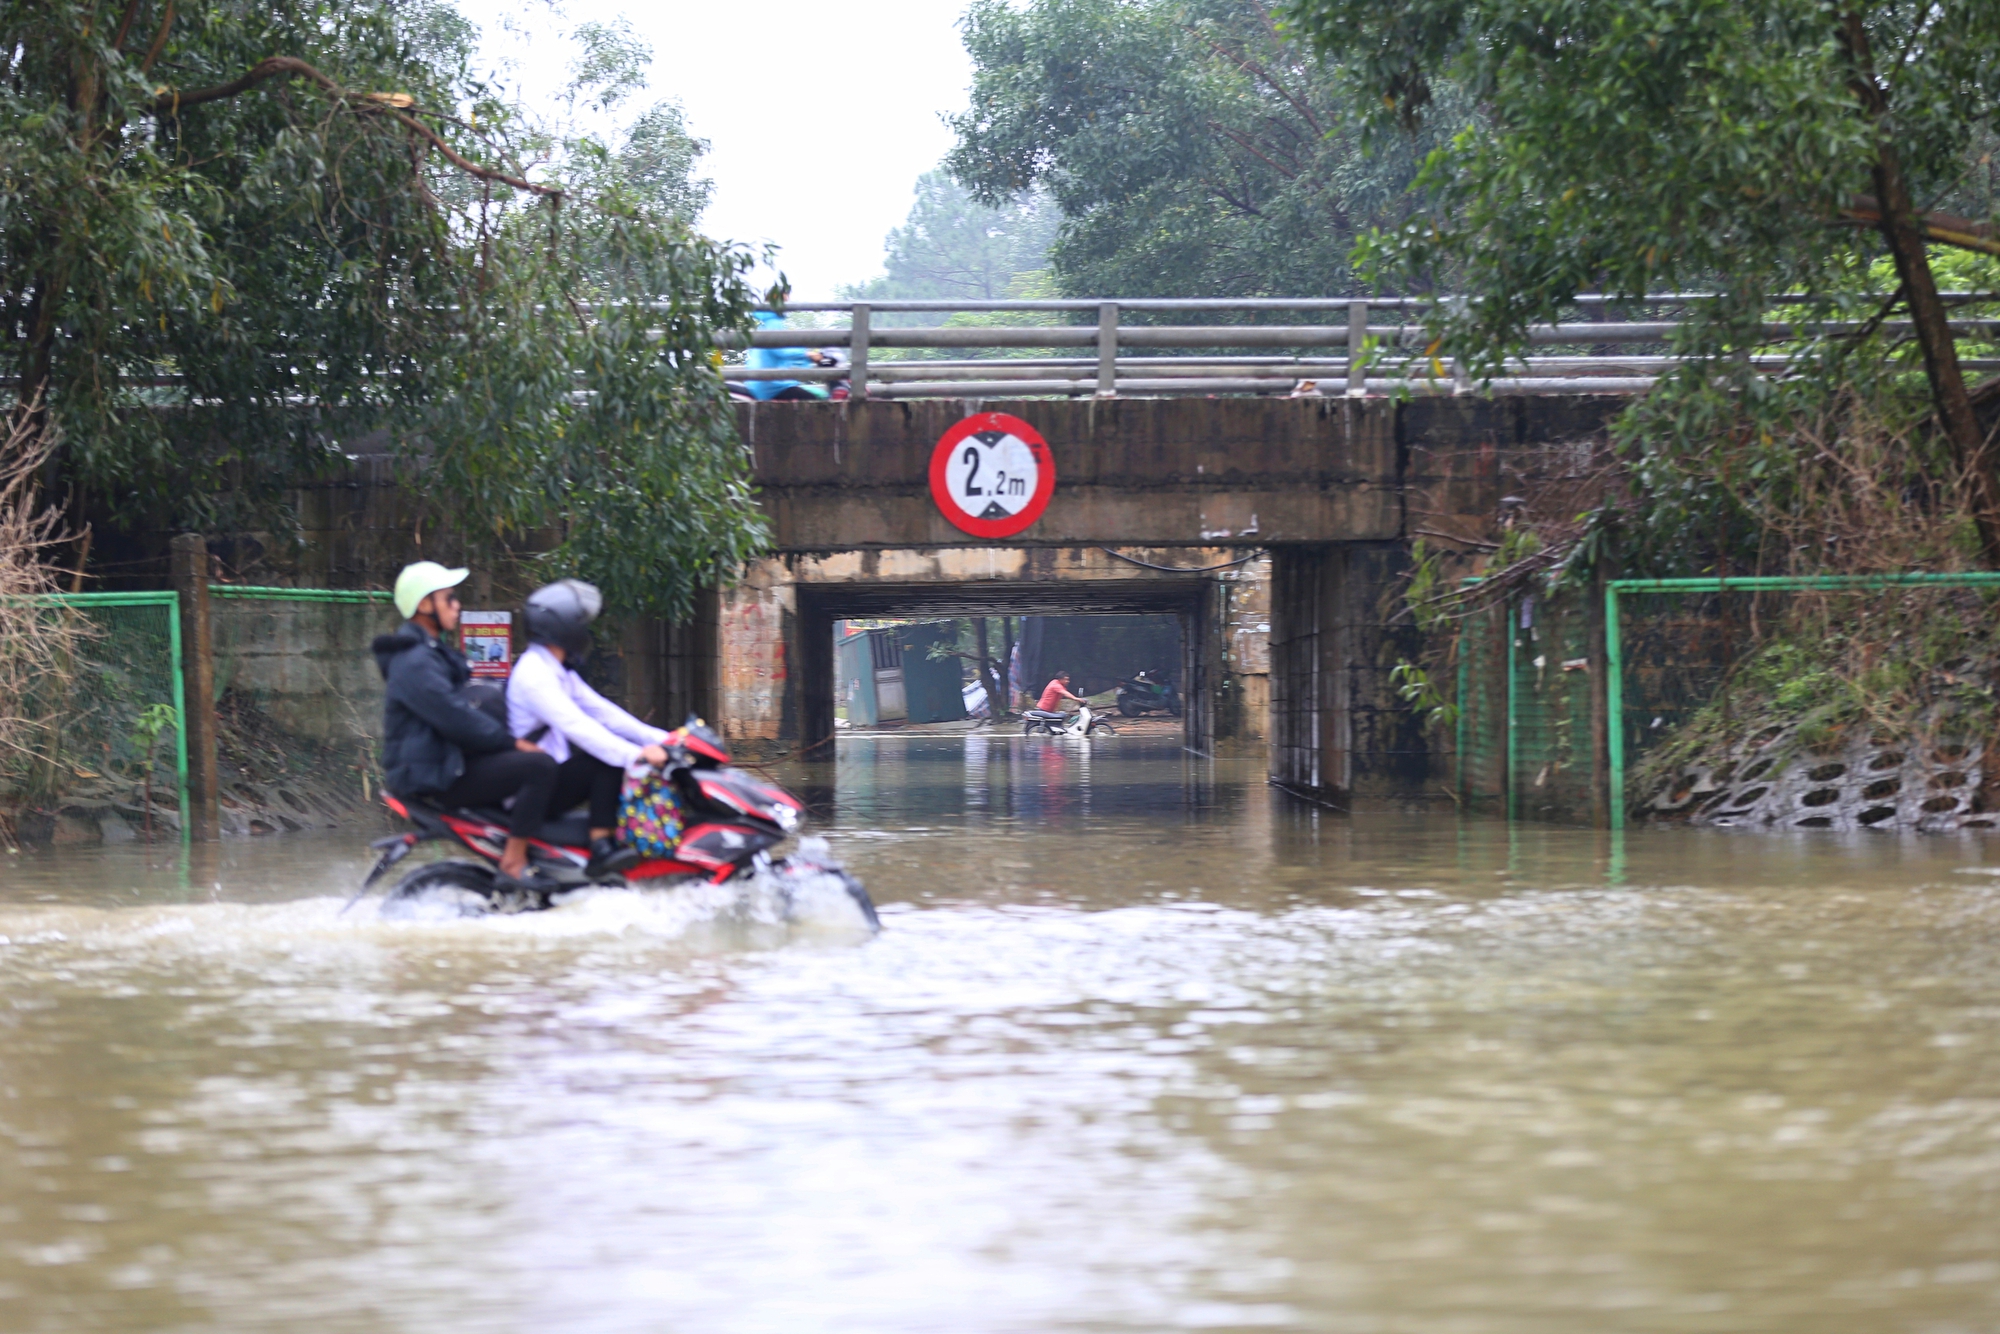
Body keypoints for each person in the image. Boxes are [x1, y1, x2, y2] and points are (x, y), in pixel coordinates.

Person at [373, 561, 557, 891]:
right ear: (425, 605)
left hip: (445, 766)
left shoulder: (430, 653)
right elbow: (454, 717)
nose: (457, 606)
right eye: (450, 598)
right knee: (538, 766)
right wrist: (510, 743)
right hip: (433, 777)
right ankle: (514, 863)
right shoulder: (415, 661)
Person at [505, 579, 674, 876]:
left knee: (610, 757)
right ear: (565, 627)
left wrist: (670, 739)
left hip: (550, 775)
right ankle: (600, 847)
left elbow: (604, 713)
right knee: (605, 761)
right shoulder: (535, 674)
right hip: (533, 789)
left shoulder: (555, 669)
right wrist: (637, 756)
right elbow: (578, 726)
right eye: (581, 623)